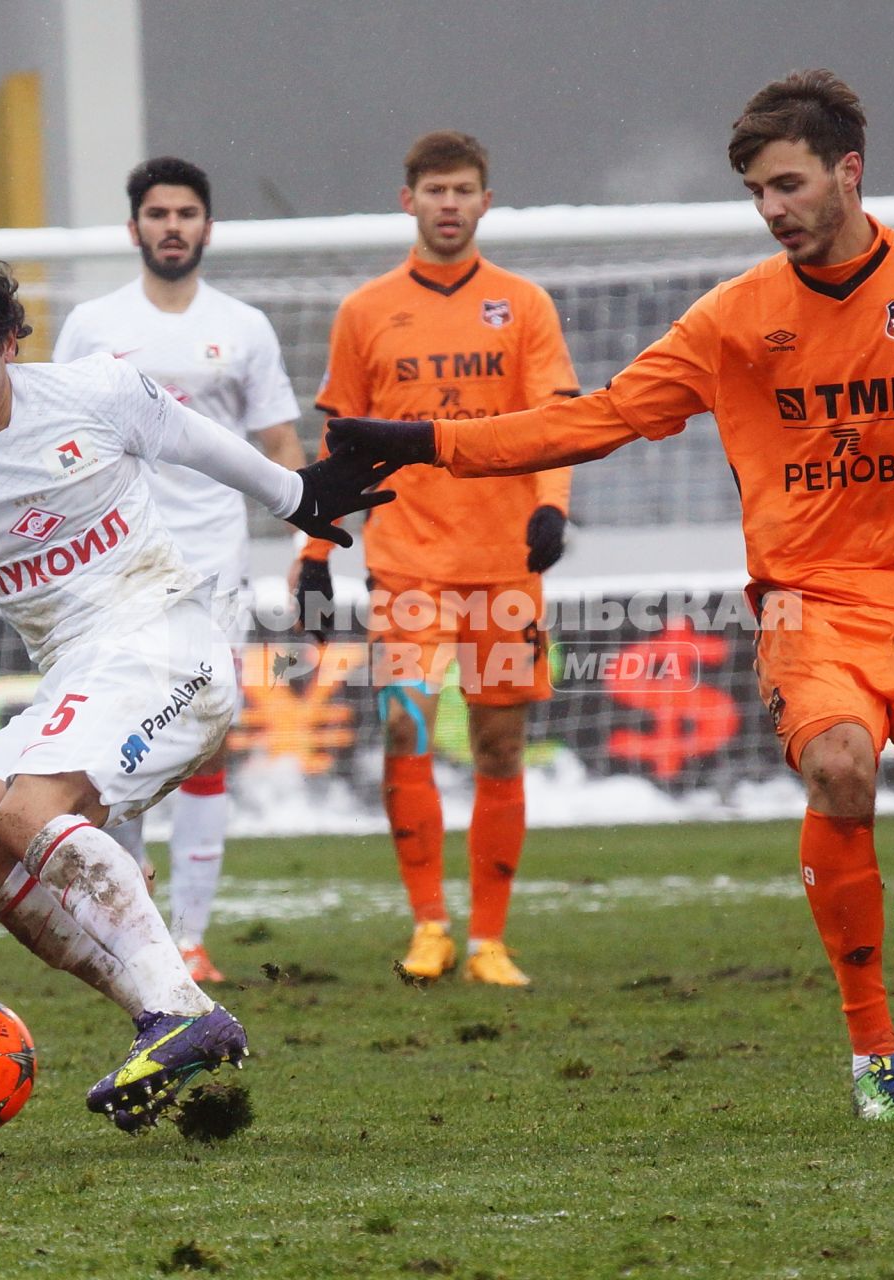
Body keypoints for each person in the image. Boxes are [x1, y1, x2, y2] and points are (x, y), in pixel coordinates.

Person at [328, 72, 894, 1120]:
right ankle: (874, 1046)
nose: (771, 210)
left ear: (847, 172)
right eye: (757, 195)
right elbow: (591, 419)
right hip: (801, 603)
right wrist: (415, 441)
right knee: (840, 767)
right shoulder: (734, 318)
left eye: (787, 185)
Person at [0, 250, 393, 1132]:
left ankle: (180, 1015)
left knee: (26, 810)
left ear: (10, 341)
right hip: (80, 670)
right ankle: (169, 1012)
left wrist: (299, 496)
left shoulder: (97, 391)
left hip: (169, 640)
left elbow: (208, 446)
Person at [294, 129, 581, 988]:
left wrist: (552, 509)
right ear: (408, 200)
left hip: (502, 563)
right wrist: (314, 552)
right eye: (435, 191)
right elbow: (340, 445)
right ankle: (430, 927)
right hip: (407, 561)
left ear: (485, 202)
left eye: (464, 191)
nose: (449, 205)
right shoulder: (366, 311)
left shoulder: (523, 305)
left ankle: (490, 939)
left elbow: (556, 421)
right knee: (403, 728)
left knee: (498, 747)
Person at [53, 157, 307, 985]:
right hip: (117, 572)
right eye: (157, 213)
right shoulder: (92, 325)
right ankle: (140, 932)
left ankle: (192, 938)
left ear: (207, 226)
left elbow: (280, 445)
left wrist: (310, 544)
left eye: (186, 212)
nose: (172, 226)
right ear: (134, 229)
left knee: (202, 752)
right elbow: (60, 440)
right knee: (114, 755)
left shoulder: (244, 327)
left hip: (214, 570)